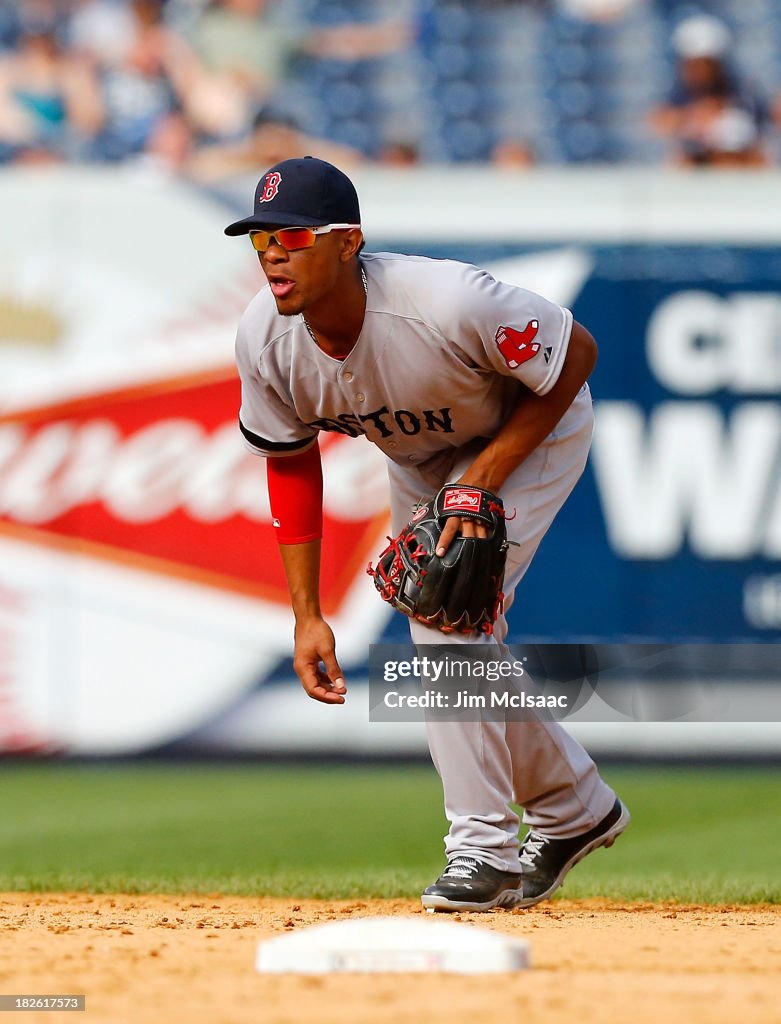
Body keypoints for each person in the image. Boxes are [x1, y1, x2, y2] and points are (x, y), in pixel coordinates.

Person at [226, 156, 629, 912]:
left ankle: (483, 851)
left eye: (294, 235)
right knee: (448, 615)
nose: (274, 251)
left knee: (441, 614)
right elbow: (289, 465)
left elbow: (574, 353)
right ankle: (574, 811)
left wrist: (486, 475)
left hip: (527, 430)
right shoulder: (264, 339)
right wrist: (306, 615)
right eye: (260, 239)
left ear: (348, 243)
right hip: (418, 458)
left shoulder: (442, 300)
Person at [649, 14, 772, 168]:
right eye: (693, 63)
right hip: (697, 160)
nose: (698, 70)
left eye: (704, 63)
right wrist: (691, 118)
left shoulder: (740, 90)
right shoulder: (680, 91)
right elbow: (659, 121)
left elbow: (759, 122)